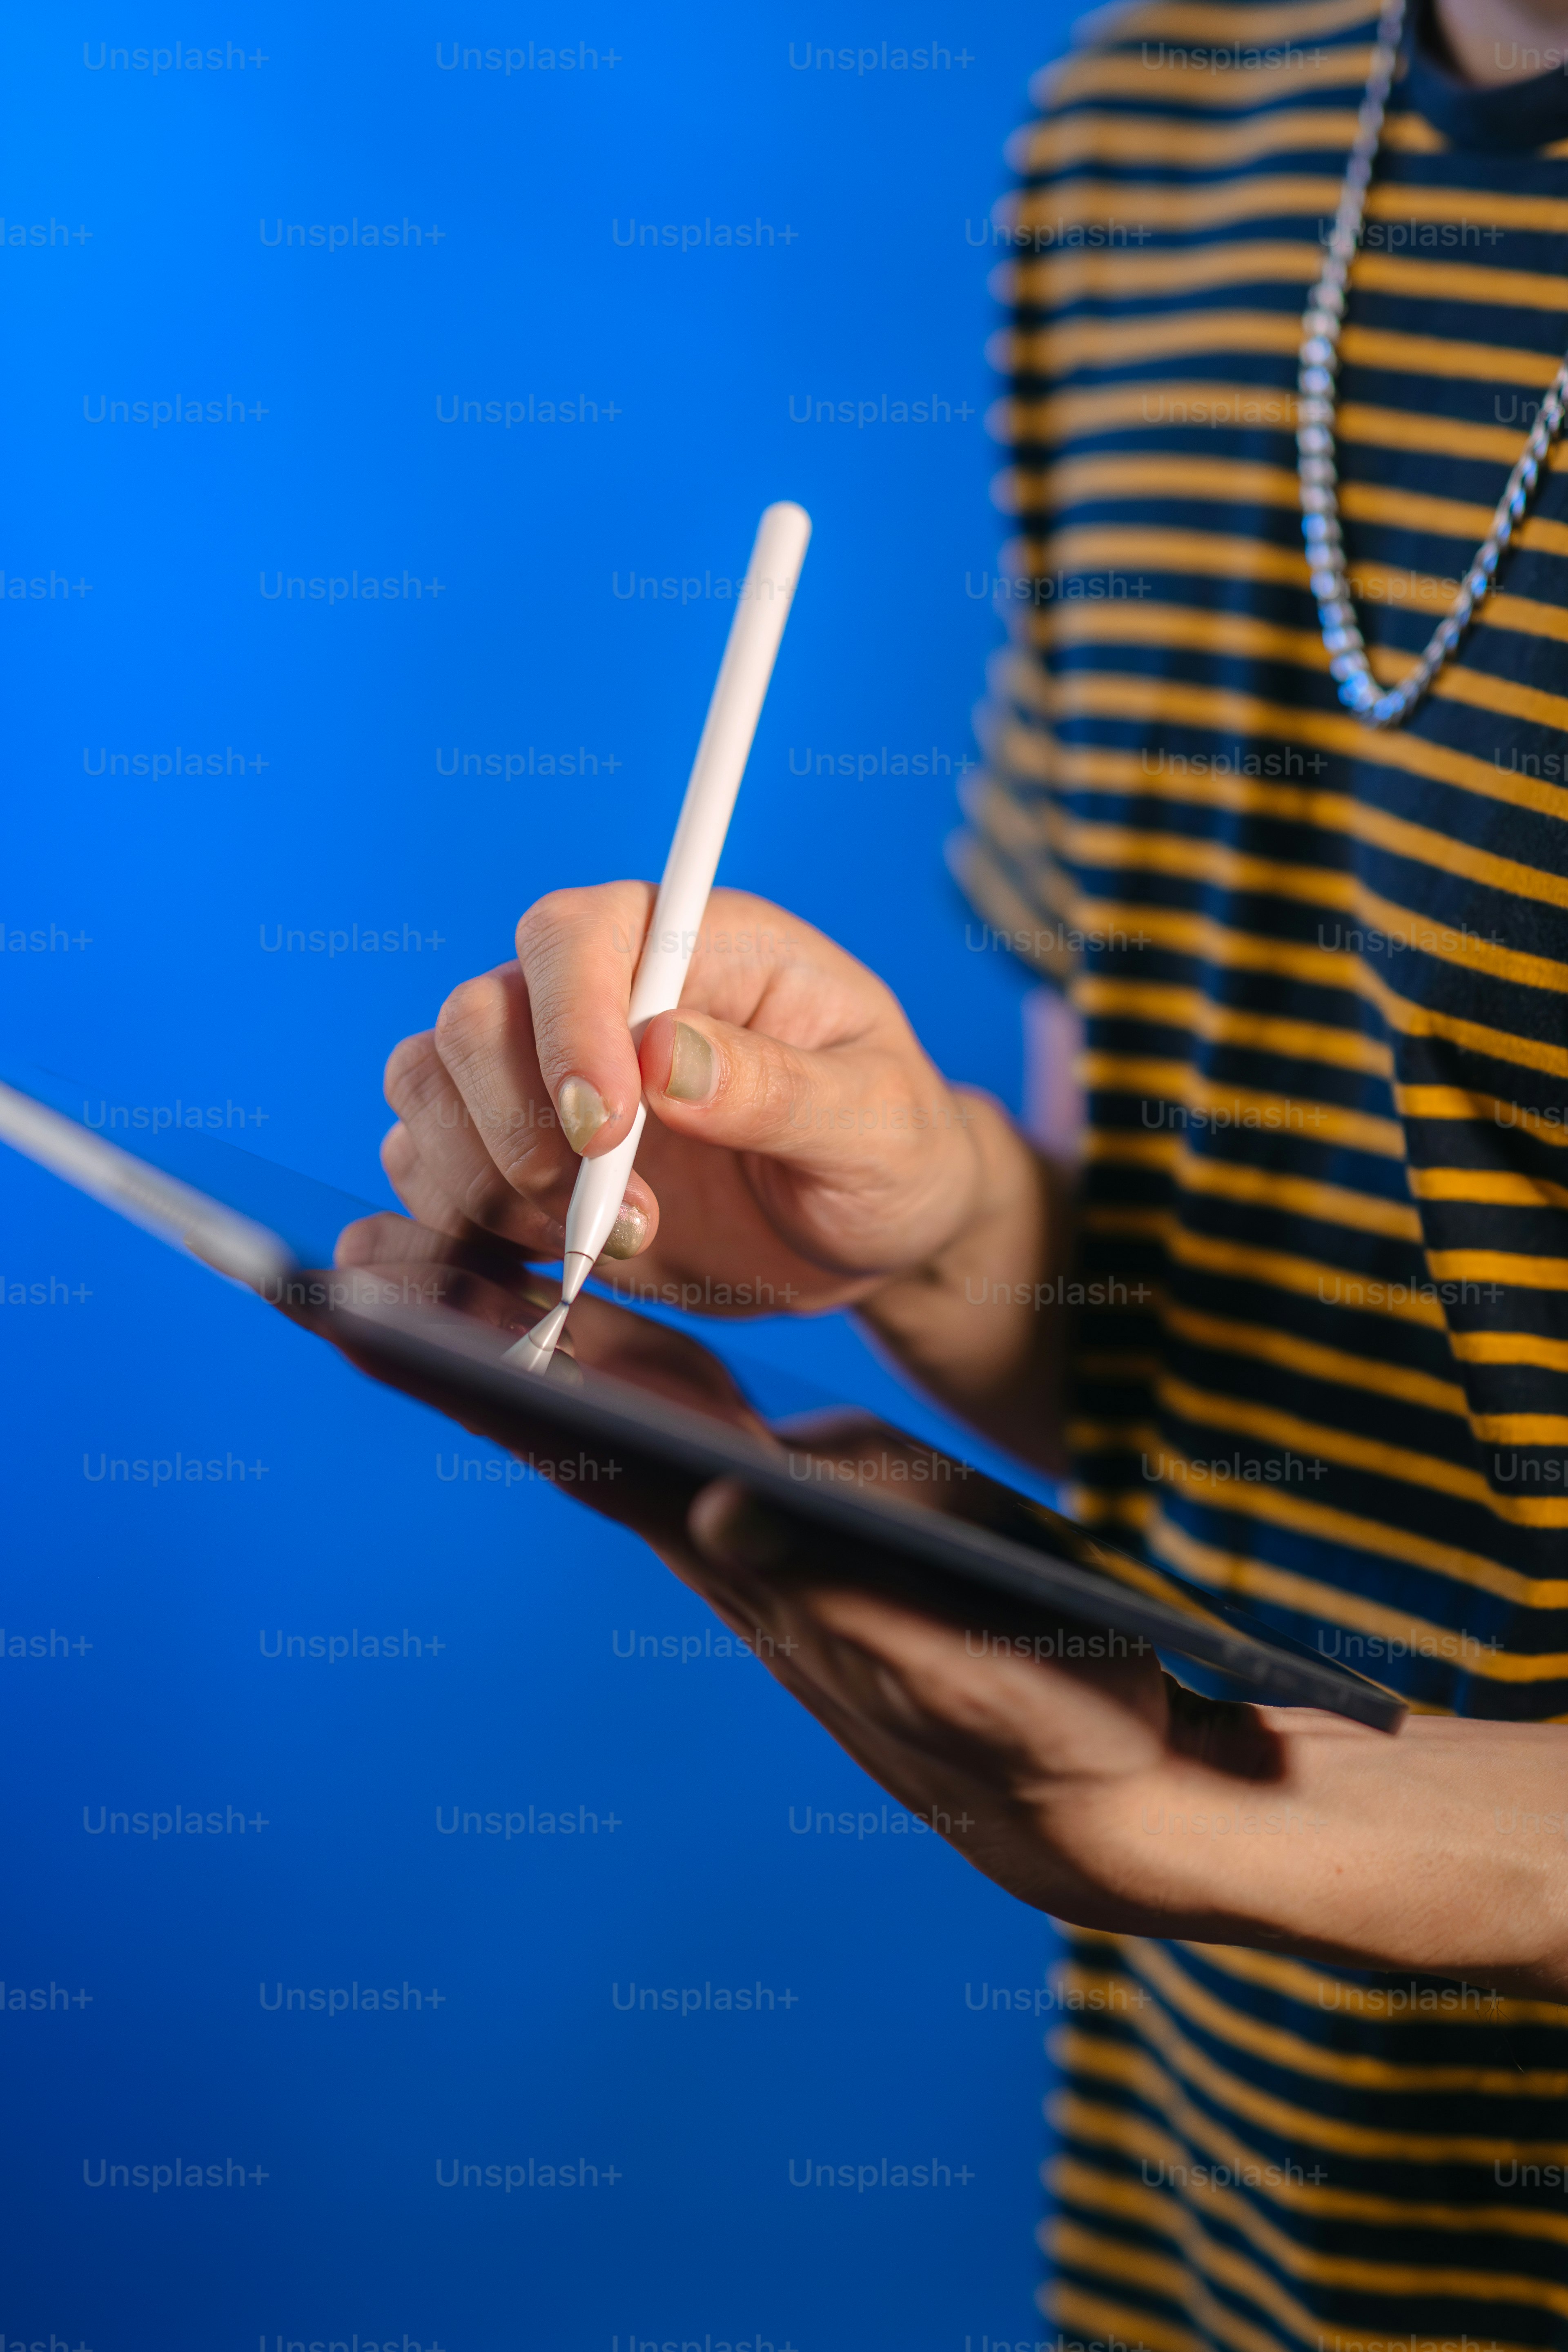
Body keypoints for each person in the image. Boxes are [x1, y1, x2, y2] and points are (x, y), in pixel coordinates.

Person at [380, 0, 1568, 2340]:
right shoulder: (1163, 127)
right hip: (1222, 2230)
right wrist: (924, 1223)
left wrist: (1400, 1835)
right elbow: (1201, 1343)